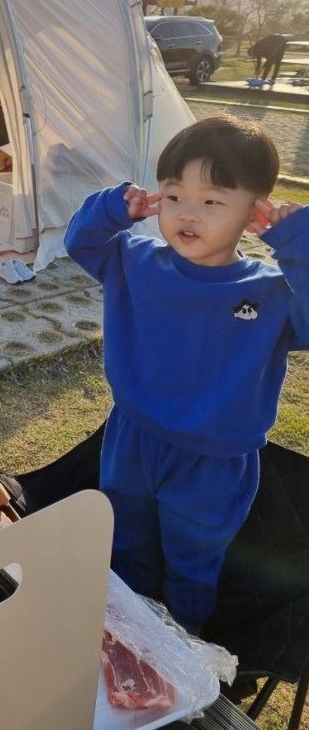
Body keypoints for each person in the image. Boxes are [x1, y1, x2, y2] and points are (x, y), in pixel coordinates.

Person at [64, 114, 309, 633]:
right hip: (132, 441)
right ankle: (127, 642)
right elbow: (80, 243)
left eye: (213, 201)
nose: (187, 214)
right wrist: (113, 209)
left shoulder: (271, 293)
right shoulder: (134, 259)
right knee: (126, 552)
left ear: (254, 212)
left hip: (212, 464)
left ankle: (179, 653)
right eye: (173, 196)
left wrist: (297, 244)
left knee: (191, 572)